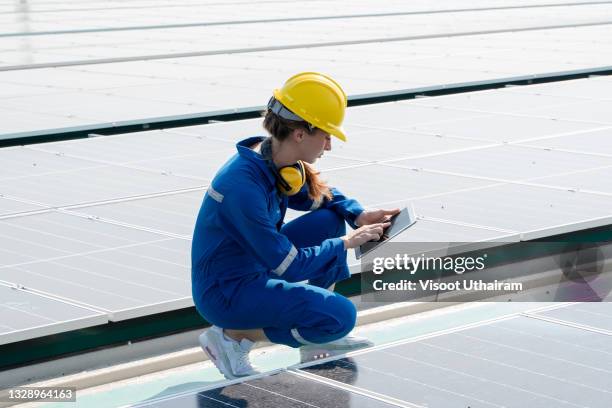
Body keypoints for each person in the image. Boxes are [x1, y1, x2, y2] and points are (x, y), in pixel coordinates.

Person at [191, 72, 400, 380]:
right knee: (340, 316)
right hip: (227, 292)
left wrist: (357, 215)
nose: (328, 145)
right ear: (301, 133)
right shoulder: (242, 189)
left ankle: (316, 334)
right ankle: (232, 336)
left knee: (329, 220)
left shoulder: (274, 161)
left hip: (253, 265)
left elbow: (324, 198)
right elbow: (289, 266)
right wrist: (345, 243)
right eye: (326, 135)